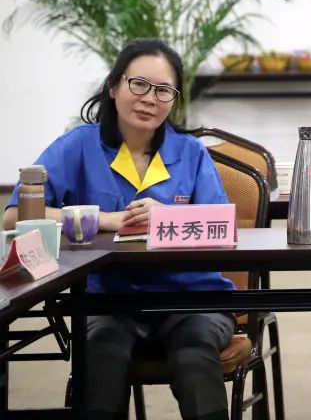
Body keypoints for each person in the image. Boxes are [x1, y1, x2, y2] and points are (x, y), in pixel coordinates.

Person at [2, 38, 237, 420]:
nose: (149, 99)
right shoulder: (78, 146)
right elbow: (14, 218)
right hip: (108, 301)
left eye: (163, 90)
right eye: (139, 84)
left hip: (193, 299)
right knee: (102, 356)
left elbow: (221, 227)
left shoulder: (190, 153)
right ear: (114, 86)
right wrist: (102, 219)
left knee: (194, 356)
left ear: (174, 100)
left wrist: (167, 218)